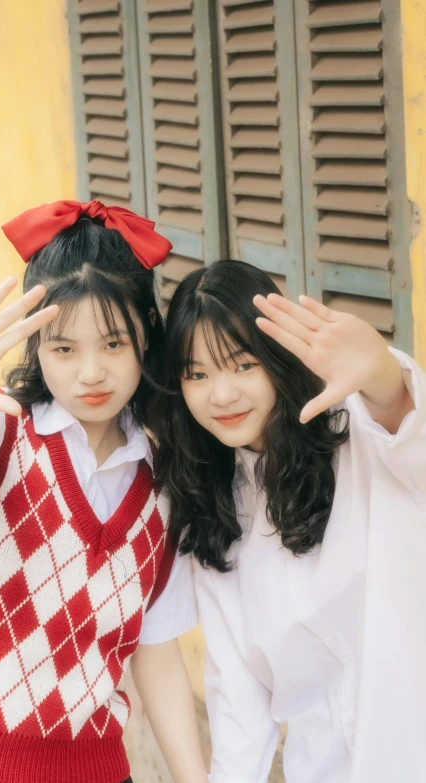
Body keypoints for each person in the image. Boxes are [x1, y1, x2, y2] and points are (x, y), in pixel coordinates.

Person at [0, 201, 205, 783]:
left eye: (114, 344)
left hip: (86, 768)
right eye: (64, 349)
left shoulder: (164, 485)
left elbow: (156, 650)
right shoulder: (1, 433)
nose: (90, 372)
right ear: (36, 349)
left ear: (147, 335)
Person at [150, 259, 426, 783]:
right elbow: (239, 701)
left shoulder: (359, 436)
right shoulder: (214, 515)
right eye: (197, 374)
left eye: (242, 364)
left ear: (277, 359)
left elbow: (413, 438)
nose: (222, 394)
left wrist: (386, 377)